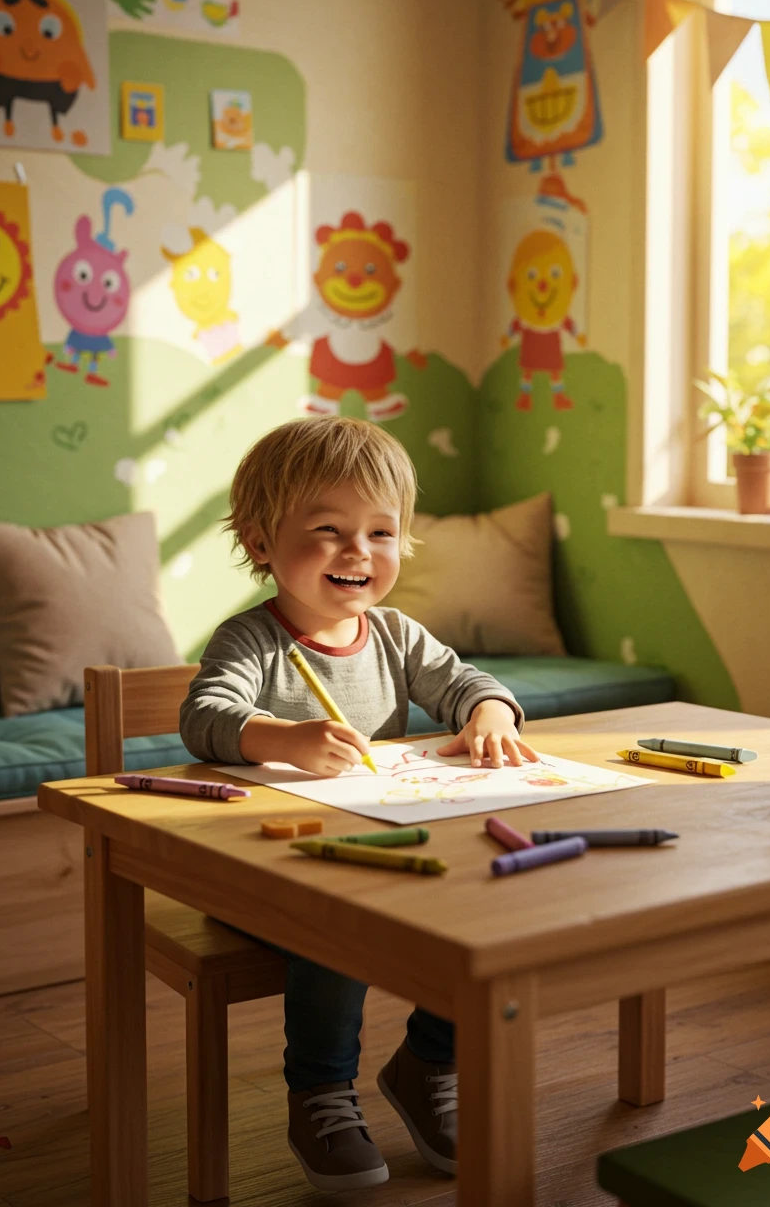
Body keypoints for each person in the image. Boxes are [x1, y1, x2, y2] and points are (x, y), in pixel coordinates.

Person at [180, 415, 536, 1192]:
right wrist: (280, 738)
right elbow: (204, 719)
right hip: (269, 868)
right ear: (261, 540)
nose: (358, 553)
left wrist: (489, 714)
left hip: (387, 853)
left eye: (381, 532)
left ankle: (427, 1064)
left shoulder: (397, 636)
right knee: (334, 926)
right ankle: (320, 1092)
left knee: (481, 907)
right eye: (330, 529)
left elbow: (470, 683)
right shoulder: (249, 642)